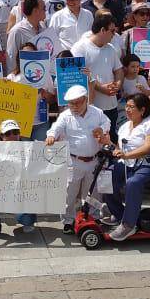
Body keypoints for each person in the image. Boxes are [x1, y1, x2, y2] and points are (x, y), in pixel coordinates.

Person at [103, 92, 150, 241]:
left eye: (131, 107)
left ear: (142, 110)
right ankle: (118, 214)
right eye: (127, 107)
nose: (127, 110)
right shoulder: (124, 126)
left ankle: (128, 225)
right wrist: (109, 143)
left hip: (149, 164)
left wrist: (127, 156)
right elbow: (120, 148)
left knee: (133, 182)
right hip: (127, 163)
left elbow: (149, 148)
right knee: (105, 176)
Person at [46, 84, 109, 234]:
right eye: (71, 103)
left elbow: (107, 123)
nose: (74, 106)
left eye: (77, 102)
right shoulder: (65, 115)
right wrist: (51, 136)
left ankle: (94, 216)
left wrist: (103, 130)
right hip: (73, 161)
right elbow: (56, 128)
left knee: (93, 191)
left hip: (93, 160)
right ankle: (68, 220)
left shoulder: (97, 112)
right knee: (69, 192)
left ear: (85, 100)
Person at [0, 119, 38, 240]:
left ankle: (28, 219)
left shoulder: (32, 148)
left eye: (15, 132)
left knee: (26, 220)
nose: (12, 136)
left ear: (20, 134)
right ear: (1, 136)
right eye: (8, 133)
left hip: (22, 191)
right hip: (0, 189)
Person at [71, 13, 122, 134]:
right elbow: (79, 76)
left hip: (111, 105)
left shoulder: (110, 48)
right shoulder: (79, 48)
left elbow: (118, 70)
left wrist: (118, 85)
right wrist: (101, 88)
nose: (114, 34)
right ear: (103, 30)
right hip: (90, 107)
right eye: (112, 31)